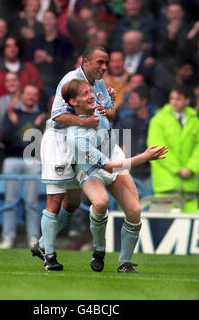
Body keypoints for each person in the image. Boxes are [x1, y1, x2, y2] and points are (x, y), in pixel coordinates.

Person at [63, 78, 168, 272]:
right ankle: (99, 250)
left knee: (135, 211)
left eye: (90, 91)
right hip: (92, 169)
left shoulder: (97, 108)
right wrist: (144, 157)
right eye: (85, 94)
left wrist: (110, 105)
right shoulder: (76, 136)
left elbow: (111, 118)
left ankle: (124, 263)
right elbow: (109, 167)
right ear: (73, 102)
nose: (91, 95)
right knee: (101, 203)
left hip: (114, 157)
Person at [31, 45, 116, 271]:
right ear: (85, 61)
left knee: (73, 202)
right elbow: (57, 114)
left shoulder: (98, 83)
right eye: (100, 62)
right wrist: (84, 122)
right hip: (59, 141)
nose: (104, 67)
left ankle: (40, 244)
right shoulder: (70, 80)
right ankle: (49, 256)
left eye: (106, 62)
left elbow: (107, 111)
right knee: (55, 200)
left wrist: (110, 104)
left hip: (78, 142)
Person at [0, 84, 47, 249]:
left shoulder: (42, 117)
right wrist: (32, 125)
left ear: (37, 98)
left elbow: (38, 141)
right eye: (28, 94)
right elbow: (4, 137)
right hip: (11, 159)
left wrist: (19, 124)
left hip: (32, 160)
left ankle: (33, 238)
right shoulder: (13, 113)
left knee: (32, 203)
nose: (30, 97)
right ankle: (8, 237)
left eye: (34, 94)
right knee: (9, 201)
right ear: (22, 96)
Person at [147, 87, 199, 213]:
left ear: (187, 100)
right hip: (166, 183)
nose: (174, 102)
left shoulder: (195, 121)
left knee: (190, 223)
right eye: (172, 99)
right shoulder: (159, 119)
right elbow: (157, 146)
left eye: (178, 99)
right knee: (165, 227)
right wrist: (178, 169)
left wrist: (191, 168)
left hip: (189, 185)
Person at [115, 85, 156, 187]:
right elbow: (115, 142)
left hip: (149, 171)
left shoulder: (155, 121)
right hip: (129, 170)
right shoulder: (126, 121)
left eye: (133, 98)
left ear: (143, 101)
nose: (130, 100)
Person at [0, 36, 43, 100]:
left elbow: (38, 90)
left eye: (15, 46)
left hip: (26, 107)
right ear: (4, 49)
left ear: (19, 48)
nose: (12, 49)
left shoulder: (30, 68)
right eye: (8, 46)